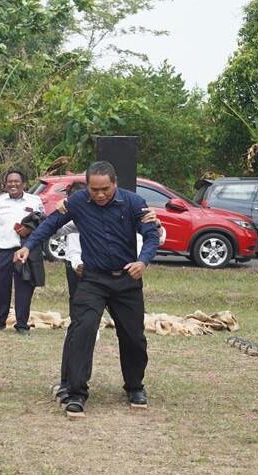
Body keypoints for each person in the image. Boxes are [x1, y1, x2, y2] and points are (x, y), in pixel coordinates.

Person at [17, 161, 159, 417]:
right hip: (93, 279)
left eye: (105, 189)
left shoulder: (134, 203)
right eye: (95, 190)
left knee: (134, 337)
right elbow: (49, 225)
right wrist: (29, 246)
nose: (100, 194)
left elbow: (151, 235)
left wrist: (143, 261)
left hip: (127, 279)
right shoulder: (78, 202)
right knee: (83, 330)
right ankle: (76, 392)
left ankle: (135, 386)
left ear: (115, 183)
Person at [0, 170, 44, 334]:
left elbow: (41, 224)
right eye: (10, 181)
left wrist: (29, 230)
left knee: (24, 287)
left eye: (17, 181)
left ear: (24, 184)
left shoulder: (35, 201)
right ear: (5, 184)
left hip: (24, 250)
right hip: (3, 250)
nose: (13, 184)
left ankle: (22, 324)